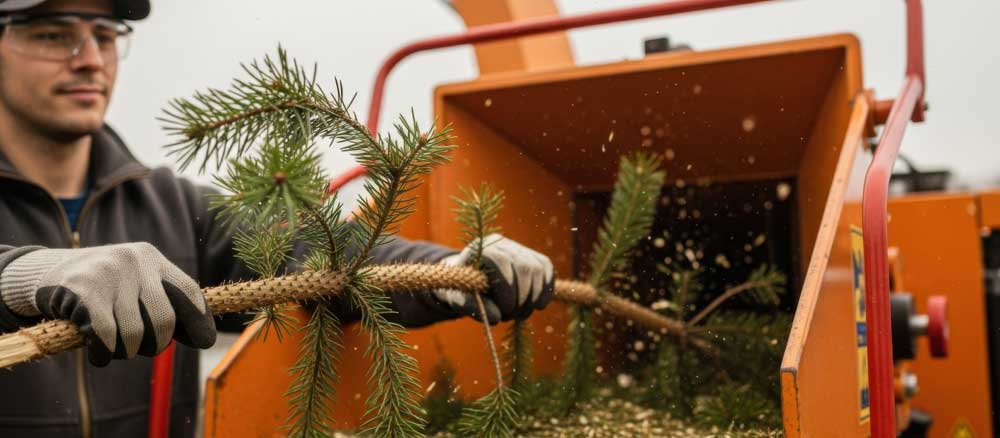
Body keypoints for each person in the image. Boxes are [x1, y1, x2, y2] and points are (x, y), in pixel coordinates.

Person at [0, 0, 555, 436]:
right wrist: (32, 275)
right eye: (53, 34)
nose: (90, 58)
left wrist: (448, 272)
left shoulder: (171, 206)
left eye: (105, 35)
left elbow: (315, 250)